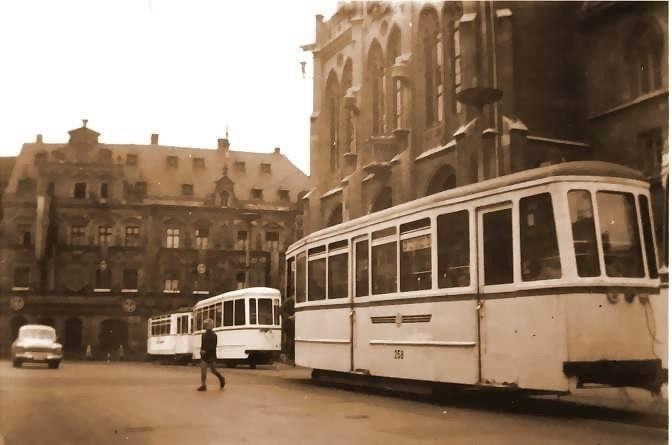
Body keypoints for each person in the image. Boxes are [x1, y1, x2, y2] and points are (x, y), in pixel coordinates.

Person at [197, 318, 225, 391]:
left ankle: (221, 378)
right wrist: (201, 351)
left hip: (211, 355)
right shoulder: (203, 335)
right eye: (206, 325)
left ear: (212, 326)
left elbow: (213, 346)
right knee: (203, 370)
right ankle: (203, 385)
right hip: (204, 356)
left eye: (209, 325)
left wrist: (205, 351)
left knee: (214, 370)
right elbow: (202, 345)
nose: (207, 326)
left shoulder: (214, 335)